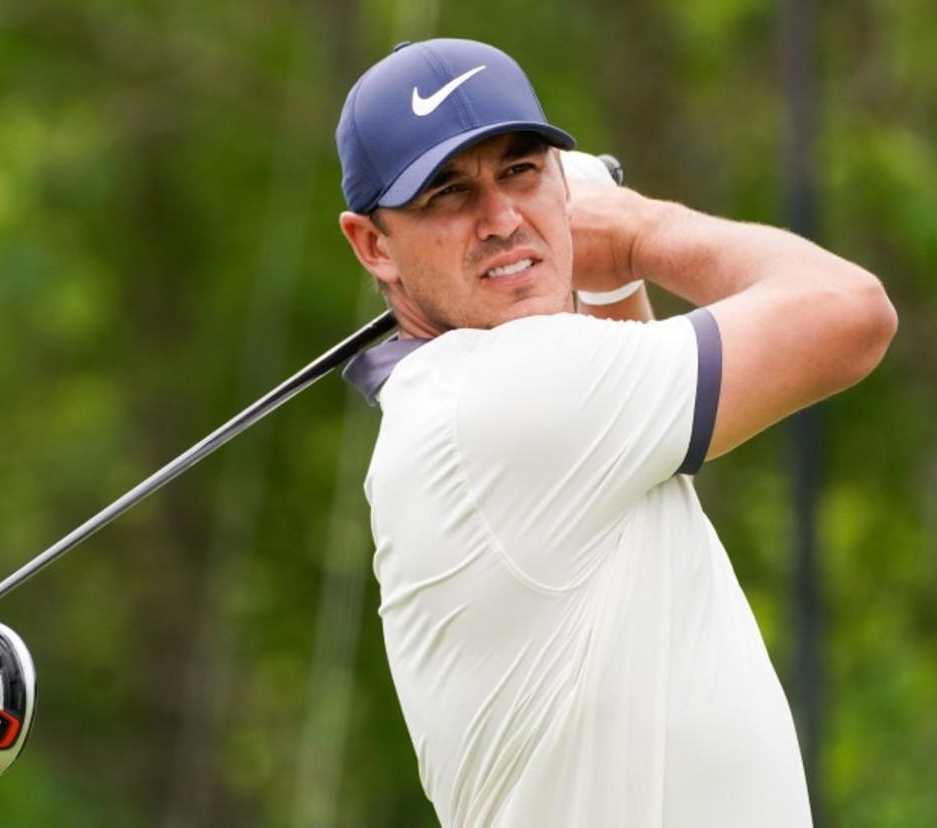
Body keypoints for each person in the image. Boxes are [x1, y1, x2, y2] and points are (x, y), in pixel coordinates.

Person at [335, 38, 896, 827]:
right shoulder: (499, 396)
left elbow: (654, 463)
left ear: (561, 182)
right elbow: (852, 312)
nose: (502, 219)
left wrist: (608, 277)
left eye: (521, 171)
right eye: (447, 194)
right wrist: (636, 231)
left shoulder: (485, 402)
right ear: (373, 245)